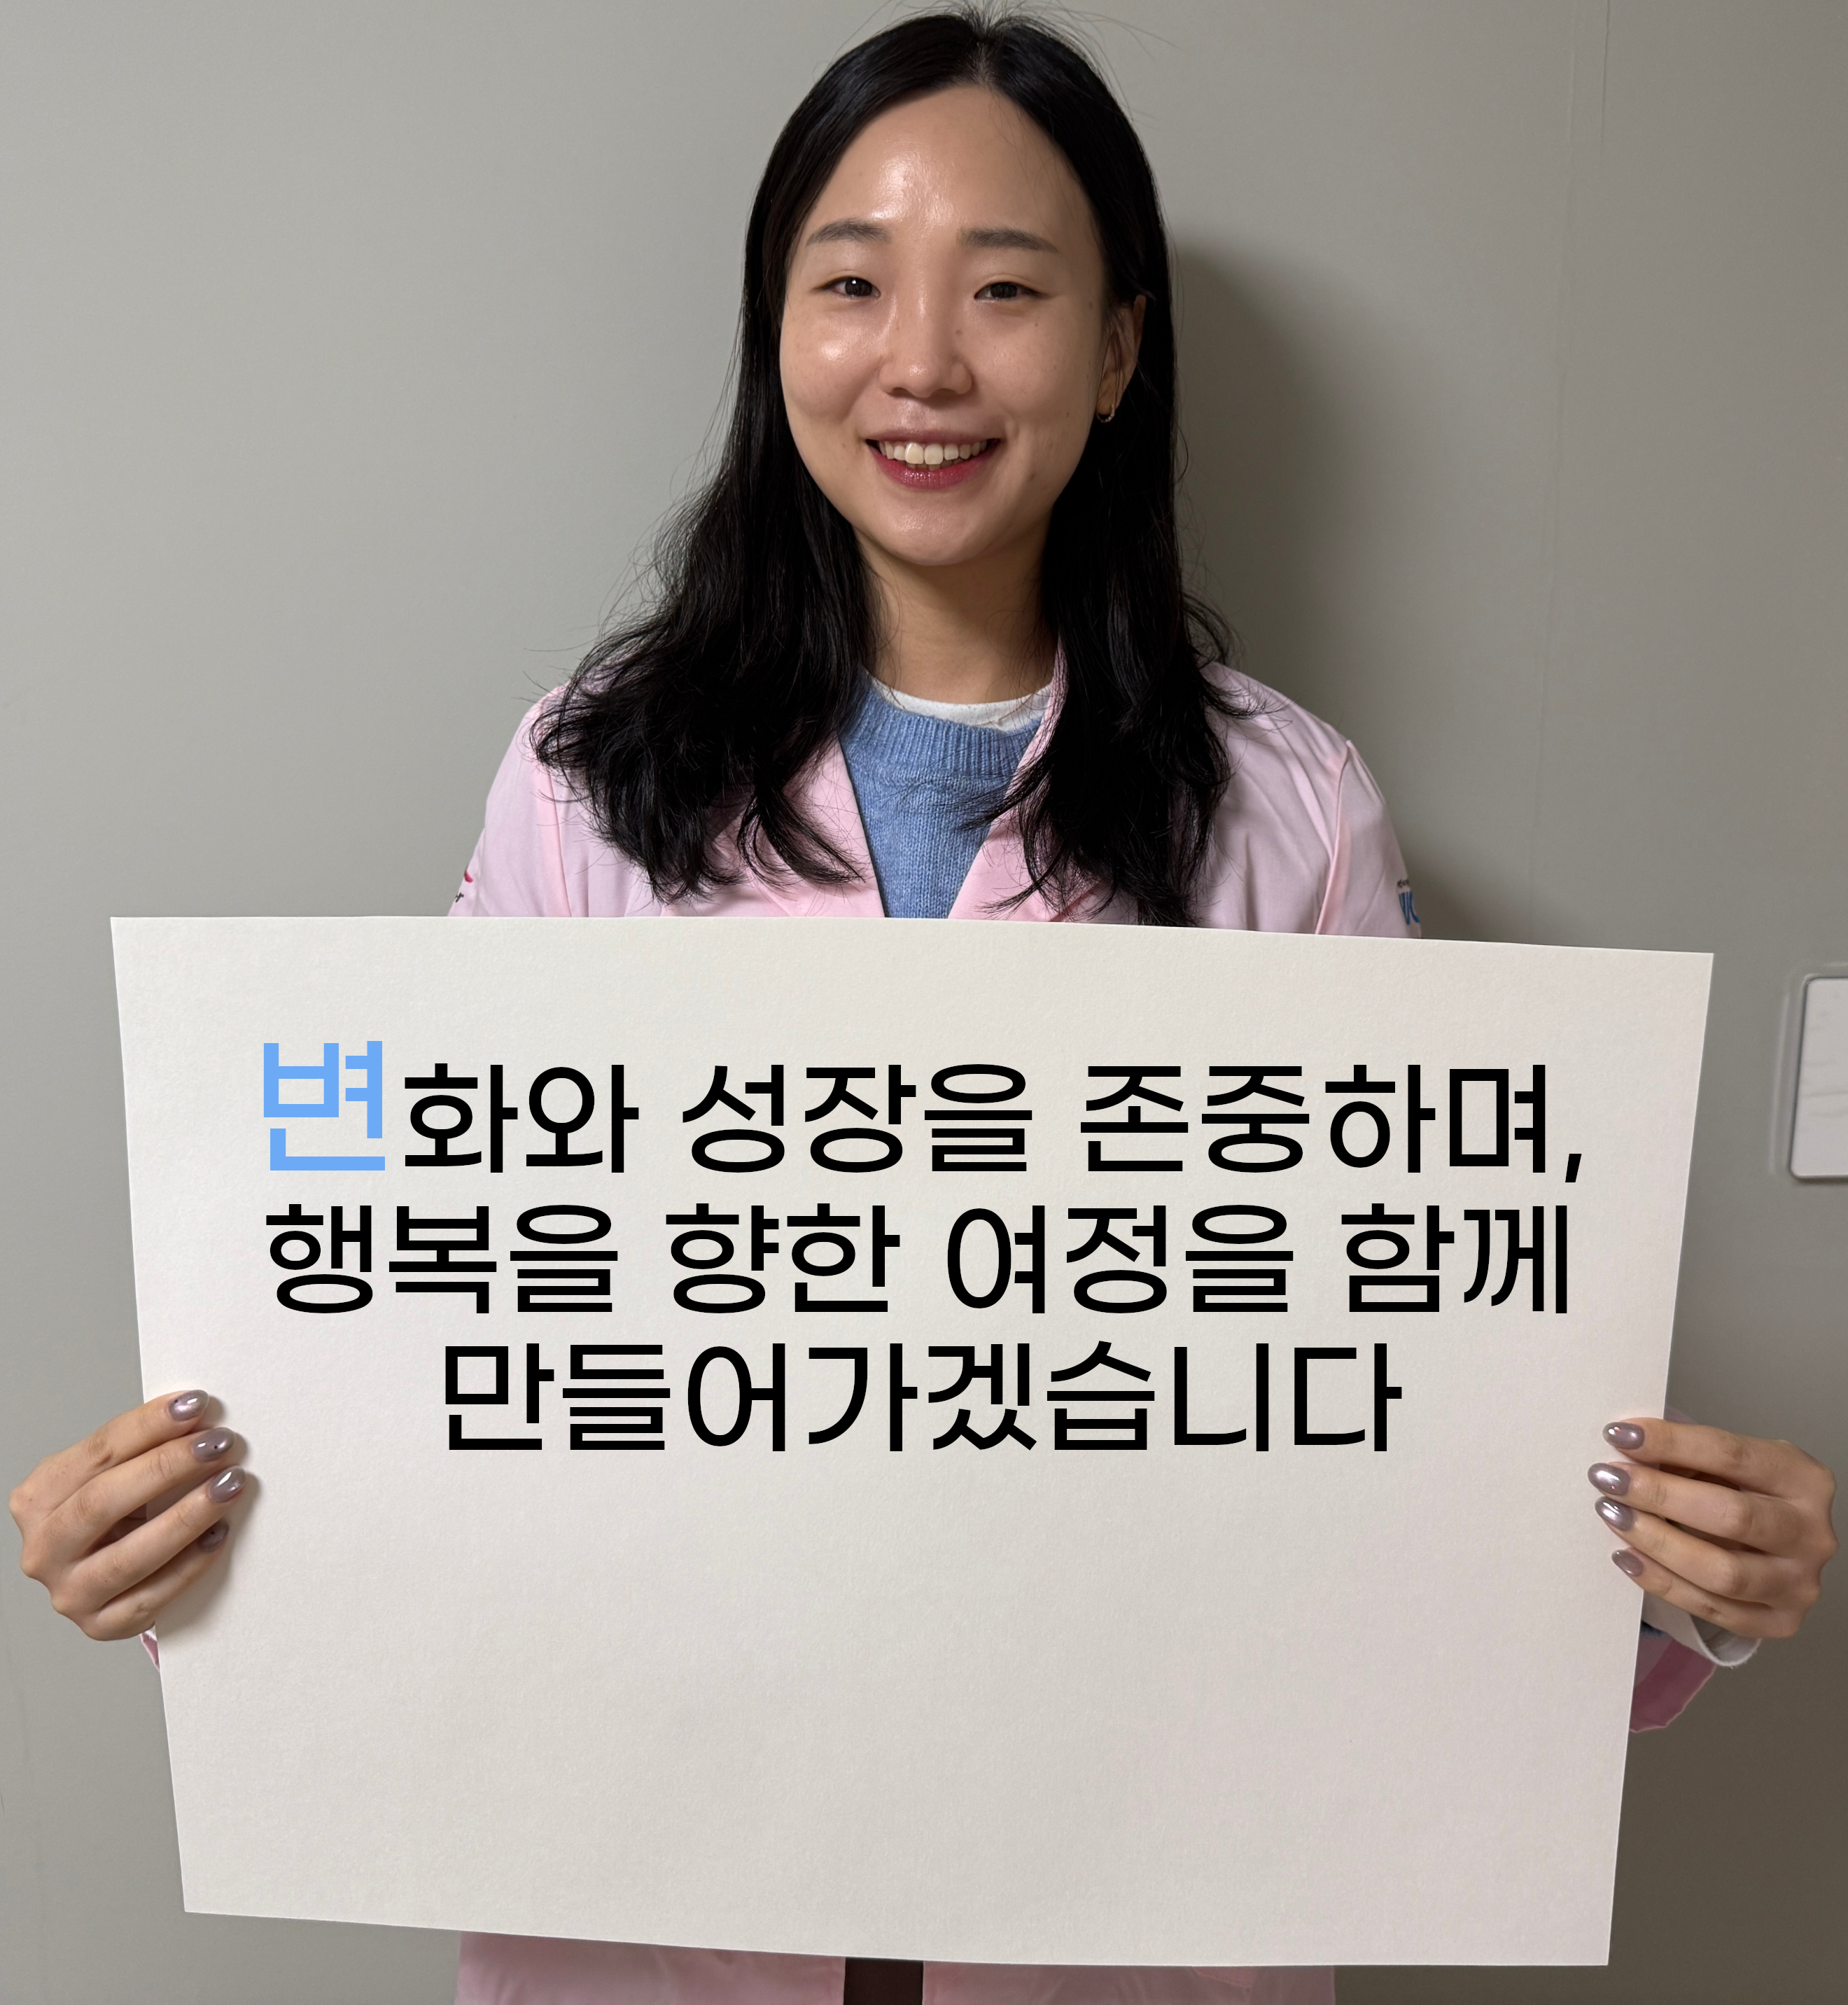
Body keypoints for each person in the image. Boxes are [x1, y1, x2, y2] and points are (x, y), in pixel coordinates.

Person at [10, 11, 1836, 2005]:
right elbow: (446, 1339)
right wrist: (194, 1547)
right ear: (773, 331)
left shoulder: (1294, 811)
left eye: (1008, 289)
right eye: (854, 282)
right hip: (643, 1909)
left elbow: (1395, 1429)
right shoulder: (581, 779)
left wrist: (1673, 1593)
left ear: (1119, 352)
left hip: (1144, 1909)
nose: (925, 363)